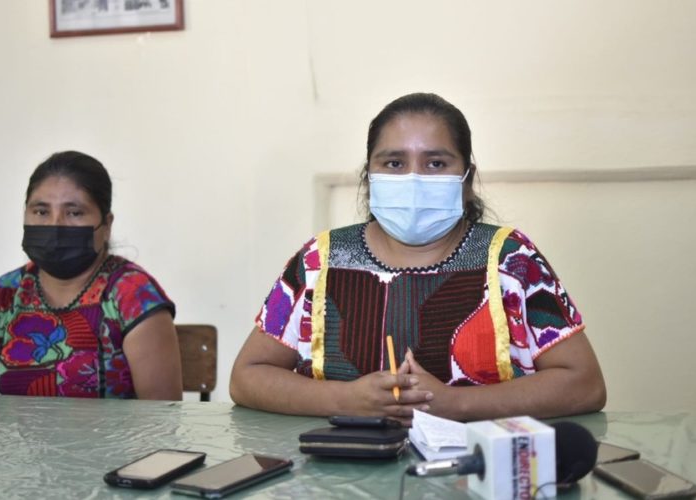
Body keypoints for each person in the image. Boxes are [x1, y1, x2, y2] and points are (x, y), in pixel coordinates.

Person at [230, 93, 606, 424]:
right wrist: (346, 399)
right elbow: (247, 377)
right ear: (369, 177)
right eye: (394, 163)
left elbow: (585, 384)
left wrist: (456, 404)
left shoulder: (511, 260)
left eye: (436, 164)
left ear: (467, 180)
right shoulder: (321, 260)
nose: (413, 178)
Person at [0, 151, 183, 400]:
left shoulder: (134, 298)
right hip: (15, 440)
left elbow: (159, 428)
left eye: (74, 212)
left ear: (106, 225)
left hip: (111, 441)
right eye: (41, 212)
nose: (56, 225)